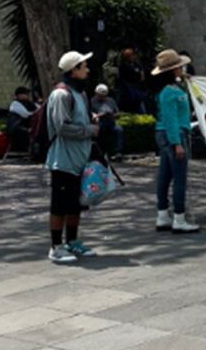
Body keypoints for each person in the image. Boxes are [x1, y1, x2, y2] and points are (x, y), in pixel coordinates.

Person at [45, 51, 100, 264]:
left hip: (79, 161)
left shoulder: (80, 93)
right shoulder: (60, 95)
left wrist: (90, 118)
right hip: (63, 161)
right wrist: (89, 130)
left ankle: (72, 241)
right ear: (73, 70)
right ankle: (56, 246)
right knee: (59, 205)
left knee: (75, 205)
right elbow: (62, 126)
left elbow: (77, 119)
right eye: (83, 66)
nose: (87, 69)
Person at [151, 49, 199, 233]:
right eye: (178, 66)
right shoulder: (170, 93)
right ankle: (179, 217)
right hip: (174, 133)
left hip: (165, 133)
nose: (182, 67)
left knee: (165, 175)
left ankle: (163, 214)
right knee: (179, 177)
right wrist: (177, 142)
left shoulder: (168, 89)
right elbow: (171, 119)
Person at [91, 84, 124, 162]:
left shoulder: (111, 100)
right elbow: (90, 114)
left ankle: (118, 153)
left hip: (111, 122)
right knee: (101, 131)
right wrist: (100, 115)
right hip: (100, 122)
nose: (103, 97)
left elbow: (117, 113)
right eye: (101, 96)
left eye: (104, 96)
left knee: (119, 130)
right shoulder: (92, 101)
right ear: (96, 93)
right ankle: (102, 153)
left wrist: (112, 115)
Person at [8, 87, 38, 154]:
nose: (27, 95)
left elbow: (37, 108)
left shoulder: (29, 103)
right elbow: (25, 114)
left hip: (25, 125)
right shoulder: (15, 104)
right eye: (25, 94)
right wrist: (35, 113)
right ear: (19, 95)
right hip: (16, 127)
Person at [117, 48, 146, 113]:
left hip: (138, 90)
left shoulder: (137, 65)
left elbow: (142, 77)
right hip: (128, 92)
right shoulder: (123, 67)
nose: (133, 57)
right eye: (129, 56)